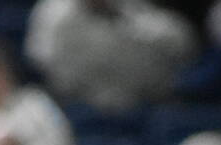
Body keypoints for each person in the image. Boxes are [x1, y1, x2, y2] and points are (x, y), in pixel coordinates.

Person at [25, 0, 199, 112]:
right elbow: (41, 61)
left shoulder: (130, 8)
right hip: (76, 103)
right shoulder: (55, 12)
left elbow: (182, 42)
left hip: (139, 103)